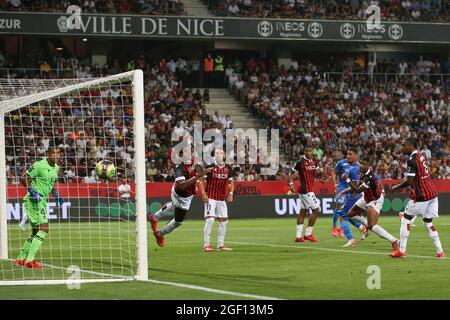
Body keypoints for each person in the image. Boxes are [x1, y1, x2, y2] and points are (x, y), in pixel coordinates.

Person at [390, 138, 445, 259]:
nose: (402, 148)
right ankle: (440, 252)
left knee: (405, 218)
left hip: (422, 196)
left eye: (404, 145)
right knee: (428, 223)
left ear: (410, 146)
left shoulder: (412, 160)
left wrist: (396, 187)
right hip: (432, 194)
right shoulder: (421, 156)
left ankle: (402, 251)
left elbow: (409, 181)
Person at [15, 146, 65, 269]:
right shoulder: (39, 165)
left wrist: (56, 193)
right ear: (48, 153)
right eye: (53, 153)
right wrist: (31, 190)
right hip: (34, 200)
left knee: (36, 231)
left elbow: (51, 182)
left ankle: (20, 259)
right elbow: (23, 178)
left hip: (42, 201)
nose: (55, 155)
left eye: (58, 153)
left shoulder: (56, 167)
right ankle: (29, 260)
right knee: (44, 229)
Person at [147, 159, 213, 247]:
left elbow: (199, 173)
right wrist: (199, 176)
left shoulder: (194, 162)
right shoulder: (179, 167)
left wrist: (201, 177)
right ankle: (159, 234)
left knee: (174, 204)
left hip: (184, 194)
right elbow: (182, 186)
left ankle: (154, 217)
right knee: (178, 221)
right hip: (182, 196)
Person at [336, 157, 399, 250]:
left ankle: (394, 240)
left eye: (364, 164)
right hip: (366, 198)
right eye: (361, 164)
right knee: (350, 214)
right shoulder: (362, 174)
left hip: (374, 201)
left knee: (371, 226)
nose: (361, 166)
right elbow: (356, 186)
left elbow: (357, 190)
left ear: (369, 166)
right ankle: (363, 226)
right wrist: (343, 192)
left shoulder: (370, 177)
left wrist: (347, 179)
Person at [198, 148, 234, 252]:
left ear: (224, 155)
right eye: (217, 153)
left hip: (221, 199)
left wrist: (231, 193)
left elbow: (231, 182)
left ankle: (220, 245)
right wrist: (203, 193)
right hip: (211, 197)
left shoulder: (228, 168)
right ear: (214, 156)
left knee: (224, 221)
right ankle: (206, 245)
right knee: (210, 219)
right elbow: (200, 179)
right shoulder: (210, 167)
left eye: (221, 153)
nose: (219, 155)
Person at [334, 148, 368, 247]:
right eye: (347, 154)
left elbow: (356, 187)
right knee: (348, 215)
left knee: (342, 215)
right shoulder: (355, 167)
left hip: (355, 196)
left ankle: (351, 239)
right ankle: (362, 227)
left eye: (350, 154)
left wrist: (347, 181)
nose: (348, 156)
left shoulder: (355, 168)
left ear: (356, 156)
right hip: (353, 195)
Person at [287, 146, 321, 243]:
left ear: (312, 151)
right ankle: (308, 234)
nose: (308, 152)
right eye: (307, 150)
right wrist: (291, 185)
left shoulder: (314, 162)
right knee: (316, 210)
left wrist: (321, 175)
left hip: (307, 190)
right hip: (306, 190)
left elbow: (316, 173)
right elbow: (291, 175)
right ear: (304, 151)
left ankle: (298, 237)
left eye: (310, 150)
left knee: (303, 211)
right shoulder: (300, 162)